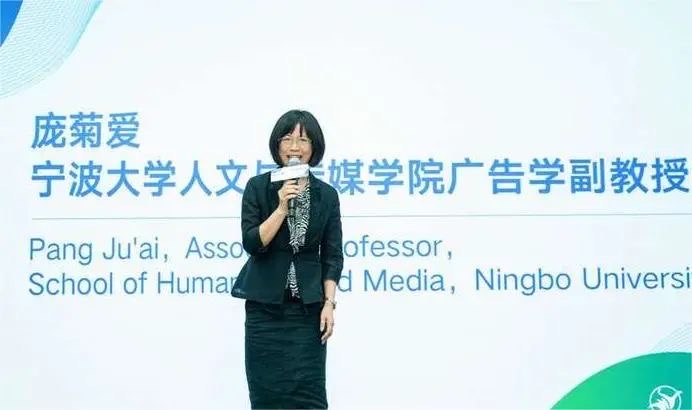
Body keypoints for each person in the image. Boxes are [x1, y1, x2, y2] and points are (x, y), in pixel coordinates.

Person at [231, 109, 344, 409]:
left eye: (303, 140)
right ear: (276, 144)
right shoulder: (258, 187)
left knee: (310, 400)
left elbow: (332, 255)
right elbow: (253, 243)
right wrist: (281, 207)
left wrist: (329, 304)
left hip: (307, 312)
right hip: (265, 313)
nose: (295, 147)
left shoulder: (327, 195)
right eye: (287, 139)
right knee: (267, 399)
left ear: (314, 147)